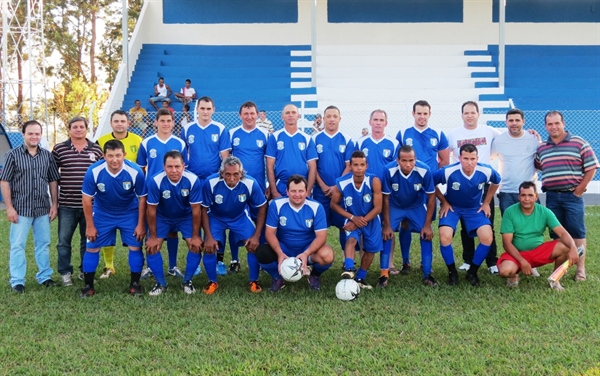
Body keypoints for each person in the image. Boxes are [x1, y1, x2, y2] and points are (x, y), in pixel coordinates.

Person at [535, 110, 599, 281]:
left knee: (577, 233)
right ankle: (560, 271)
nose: (554, 126)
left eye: (557, 123)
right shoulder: (542, 147)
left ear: (564, 124)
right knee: (557, 235)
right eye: (550, 124)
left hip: (572, 196)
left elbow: (592, 167)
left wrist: (580, 189)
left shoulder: (579, 142)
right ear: (545, 126)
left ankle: (580, 269)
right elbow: (540, 165)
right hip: (552, 198)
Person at [80, 139, 147, 297]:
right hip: (103, 213)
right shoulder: (94, 171)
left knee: (135, 246)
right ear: (103, 155)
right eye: (110, 156)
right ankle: (88, 286)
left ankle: (135, 284)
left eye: (118, 155)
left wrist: (140, 224)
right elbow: (86, 199)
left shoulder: (135, 170)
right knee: (92, 247)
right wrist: (90, 225)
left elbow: (142, 198)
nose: (114, 159)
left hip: (129, 212)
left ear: (124, 154)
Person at [0, 120, 60, 293]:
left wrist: (54, 204)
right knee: (18, 244)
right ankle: (17, 280)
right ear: (23, 135)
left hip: (42, 208)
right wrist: (9, 207)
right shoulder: (13, 155)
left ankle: (45, 276)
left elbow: (53, 180)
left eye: (37, 133)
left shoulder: (47, 156)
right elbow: (4, 181)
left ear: (41, 135)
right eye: (31, 133)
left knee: (43, 243)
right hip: (21, 209)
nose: (34, 136)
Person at [433, 143, 501, 286]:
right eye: (465, 158)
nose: (469, 162)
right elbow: (430, 183)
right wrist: (444, 202)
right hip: (453, 207)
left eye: (472, 158)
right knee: (445, 236)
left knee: (487, 237)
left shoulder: (486, 170)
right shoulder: (449, 171)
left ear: (477, 158)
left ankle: (473, 272)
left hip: (474, 208)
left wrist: (486, 202)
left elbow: (496, 182)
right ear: (459, 158)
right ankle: (452, 272)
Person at [395, 100, 449, 274]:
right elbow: (398, 160)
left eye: (425, 113)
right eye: (419, 113)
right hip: (407, 187)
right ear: (413, 114)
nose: (422, 117)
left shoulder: (438, 134)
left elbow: (445, 161)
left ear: (429, 114)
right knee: (405, 223)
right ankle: (406, 262)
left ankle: (426, 265)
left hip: (428, 188)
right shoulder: (403, 133)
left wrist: (433, 181)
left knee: (426, 225)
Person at [446, 101, 500, 274]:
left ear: (478, 114)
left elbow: (509, 138)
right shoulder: (454, 134)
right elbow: (444, 153)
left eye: (473, 112)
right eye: (466, 113)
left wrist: (531, 133)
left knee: (487, 224)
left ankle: (492, 261)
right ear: (462, 115)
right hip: (461, 185)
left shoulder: (490, 131)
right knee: (464, 225)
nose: (469, 115)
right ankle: (468, 260)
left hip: (481, 184)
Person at [256, 175, 334, 292]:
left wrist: (306, 253)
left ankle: (314, 275)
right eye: (293, 191)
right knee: (262, 253)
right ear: (287, 191)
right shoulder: (276, 205)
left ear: (307, 192)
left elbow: (321, 237)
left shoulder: (316, 207)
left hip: (307, 249)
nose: (297, 194)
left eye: (300, 191)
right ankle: (278, 278)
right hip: (284, 248)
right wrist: (280, 253)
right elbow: (270, 233)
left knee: (327, 255)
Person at [497, 181, 580, 291]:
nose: (527, 199)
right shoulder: (510, 212)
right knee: (504, 271)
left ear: (536, 196)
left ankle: (555, 278)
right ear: (519, 196)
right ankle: (513, 277)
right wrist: (522, 261)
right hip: (517, 254)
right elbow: (507, 243)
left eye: (530, 195)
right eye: (523, 195)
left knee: (565, 247)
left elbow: (562, 233)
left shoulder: (545, 212)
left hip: (538, 252)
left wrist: (573, 247)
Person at [202, 156, 268, 294]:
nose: (232, 178)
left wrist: (256, 235)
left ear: (241, 173)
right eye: (228, 174)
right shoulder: (210, 182)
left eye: (236, 174)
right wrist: (208, 236)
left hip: (239, 217)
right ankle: (212, 282)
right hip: (216, 218)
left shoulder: (250, 183)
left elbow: (262, 206)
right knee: (209, 247)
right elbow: (203, 208)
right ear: (221, 173)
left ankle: (254, 280)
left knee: (252, 245)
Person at [180, 96, 231, 274]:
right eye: (202, 108)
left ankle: (219, 260)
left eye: (209, 108)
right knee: (195, 218)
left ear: (213, 110)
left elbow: (225, 155)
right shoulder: (187, 129)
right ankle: (196, 260)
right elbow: (183, 156)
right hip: (194, 182)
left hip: (214, 181)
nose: (205, 111)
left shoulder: (221, 129)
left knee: (217, 217)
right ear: (197, 109)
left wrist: (223, 178)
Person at [137, 109, 188, 280]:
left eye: (169, 121)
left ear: (174, 123)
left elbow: (184, 168)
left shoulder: (180, 143)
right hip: (153, 194)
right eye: (162, 120)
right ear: (156, 122)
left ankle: (173, 266)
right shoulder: (147, 143)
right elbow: (141, 168)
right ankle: (150, 266)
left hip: (173, 193)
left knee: (172, 230)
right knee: (151, 229)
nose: (166, 124)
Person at [52, 116, 103, 286]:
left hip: (90, 205)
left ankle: (84, 270)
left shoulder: (96, 149)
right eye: (75, 127)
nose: (79, 129)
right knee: (63, 241)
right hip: (67, 204)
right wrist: (55, 202)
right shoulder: (59, 149)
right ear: (69, 129)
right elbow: (53, 176)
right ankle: (65, 272)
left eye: (82, 126)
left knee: (87, 239)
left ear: (86, 129)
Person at [491, 108, 542, 277]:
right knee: (512, 232)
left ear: (523, 121)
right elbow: (487, 157)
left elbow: (540, 159)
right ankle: (515, 264)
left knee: (531, 230)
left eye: (517, 120)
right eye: (510, 120)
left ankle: (531, 263)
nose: (514, 123)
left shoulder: (533, 139)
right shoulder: (498, 140)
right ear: (506, 122)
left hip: (529, 192)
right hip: (507, 191)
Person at [145, 151, 203, 296]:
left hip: (185, 217)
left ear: (184, 166)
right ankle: (160, 284)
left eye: (177, 166)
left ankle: (187, 281)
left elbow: (196, 210)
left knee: (196, 246)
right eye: (169, 167)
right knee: (152, 247)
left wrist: (196, 235)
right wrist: (152, 236)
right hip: (163, 217)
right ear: (164, 167)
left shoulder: (193, 180)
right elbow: (151, 210)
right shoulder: (155, 180)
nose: (174, 170)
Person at [381, 145, 437, 287]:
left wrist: (427, 225)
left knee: (426, 234)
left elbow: (431, 197)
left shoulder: (424, 170)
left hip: (416, 207)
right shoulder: (388, 170)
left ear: (415, 159)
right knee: (387, 234)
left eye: (411, 160)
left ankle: (427, 274)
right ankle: (384, 275)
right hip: (395, 206)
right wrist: (387, 225)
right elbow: (385, 198)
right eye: (404, 161)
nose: (408, 164)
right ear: (397, 160)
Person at [96, 110, 143, 279]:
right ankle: (109, 266)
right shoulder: (101, 141)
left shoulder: (138, 140)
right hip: (107, 194)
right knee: (106, 231)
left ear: (128, 123)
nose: (119, 124)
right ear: (111, 123)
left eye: (123, 121)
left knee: (137, 232)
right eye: (116, 121)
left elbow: (143, 166)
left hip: (132, 194)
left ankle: (139, 268)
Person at [226, 101, 269, 273]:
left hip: (258, 186)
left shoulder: (265, 134)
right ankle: (235, 259)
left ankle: (263, 258)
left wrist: (268, 184)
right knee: (236, 219)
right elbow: (227, 160)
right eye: (246, 113)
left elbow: (269, 161)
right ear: (240, 115)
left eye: (252, 113)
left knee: (261, 221)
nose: (249, 116)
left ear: (258, 115)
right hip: (238, 187)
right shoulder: (232, 134)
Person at [355, 109, 399, 274]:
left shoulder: (393, 143)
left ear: (386, 123)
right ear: (370, 122)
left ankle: (390, 262)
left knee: (388, 225)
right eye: (375, 119)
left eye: (381, 120)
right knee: (362, 223)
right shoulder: (361, 142)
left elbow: (397, 167)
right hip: (364, 191)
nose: (378, 122)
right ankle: (362, 261)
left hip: (387, 192)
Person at [331, 151, 383, 289]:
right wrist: (353, 218)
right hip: (351, 218)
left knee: (371, 250)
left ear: (367, 166)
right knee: (351, 240)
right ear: (350, 166)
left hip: (371, 219)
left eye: (362, 165)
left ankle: (360, 278)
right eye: (355, 165)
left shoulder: (374, 181)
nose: (359, 168)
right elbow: (333, 204)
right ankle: (349, 270)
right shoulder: (342, 182)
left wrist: (360, 221)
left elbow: (378, 208)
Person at [312, 105, 354, 254]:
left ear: (339, 119)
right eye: (328, 116)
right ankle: (313, 259)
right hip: (319, 192)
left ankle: (346, 260)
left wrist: (337, 186)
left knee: (345, 225)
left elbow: (349, 166)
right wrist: (323, 186)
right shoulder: (315, 139)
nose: (331, 119)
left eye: (334, 116)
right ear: (323, 119)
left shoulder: (347, 140)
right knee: (316, 227)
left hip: (341, 192)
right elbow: (313, 166)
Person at [266, 104, 318, 198]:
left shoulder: (306, 138)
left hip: (302, 186)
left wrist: (308, 190)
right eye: (287, 113)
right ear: (282, 117)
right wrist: (274, 191)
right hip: (281, 185)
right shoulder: (275, 137)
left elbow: (312, 167)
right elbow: (269, 166)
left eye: (293, 112)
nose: (290, 115)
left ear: (298, 116)